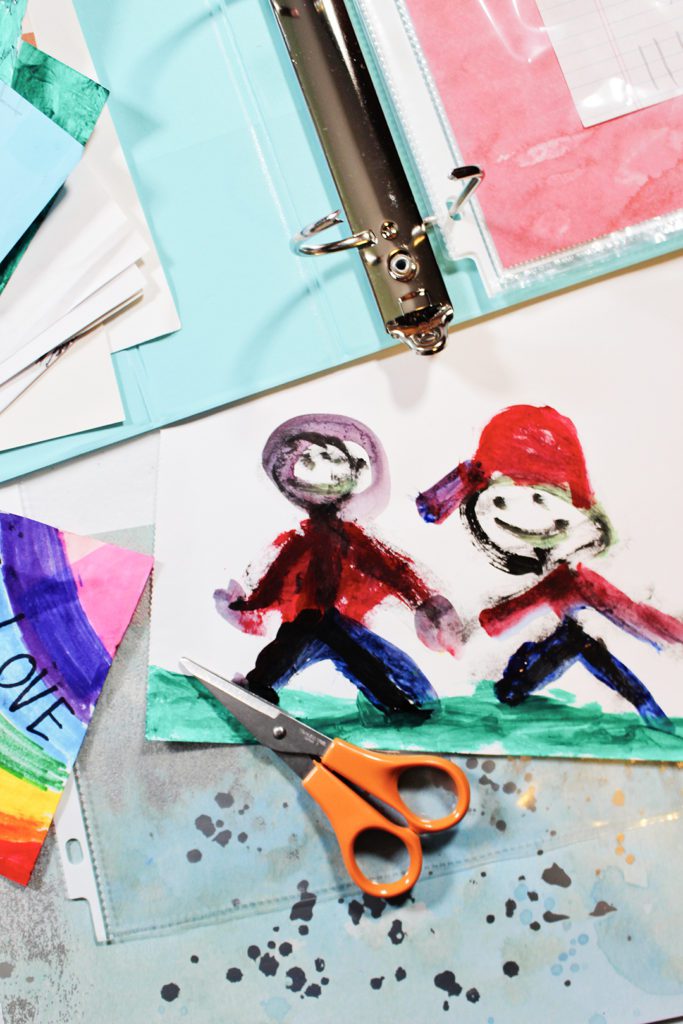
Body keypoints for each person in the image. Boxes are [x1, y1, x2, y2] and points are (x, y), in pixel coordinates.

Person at [416, 404, 683, 728]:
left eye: (541, 499)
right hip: (510, 664)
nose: (525, 516)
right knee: (549, 659)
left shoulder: (572, 579)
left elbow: (630, 614)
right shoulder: (547, 575)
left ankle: (647, 706)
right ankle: (646, 705)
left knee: (573, 641)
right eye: (500, 500)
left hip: (524, 651)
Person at [215, 413, 459, 716]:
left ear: (354, 473)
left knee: (360, 657)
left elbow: (387, 568)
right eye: (312, 461)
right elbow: (278, 575)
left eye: (335, 461)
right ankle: (259, 688)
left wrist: (418, 599)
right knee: (313, 651)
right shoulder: (301, 537)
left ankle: (399, 705)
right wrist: (250, 605)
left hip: (331, 620)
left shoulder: (351, 536)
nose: (327, 471)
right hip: (310, 619)